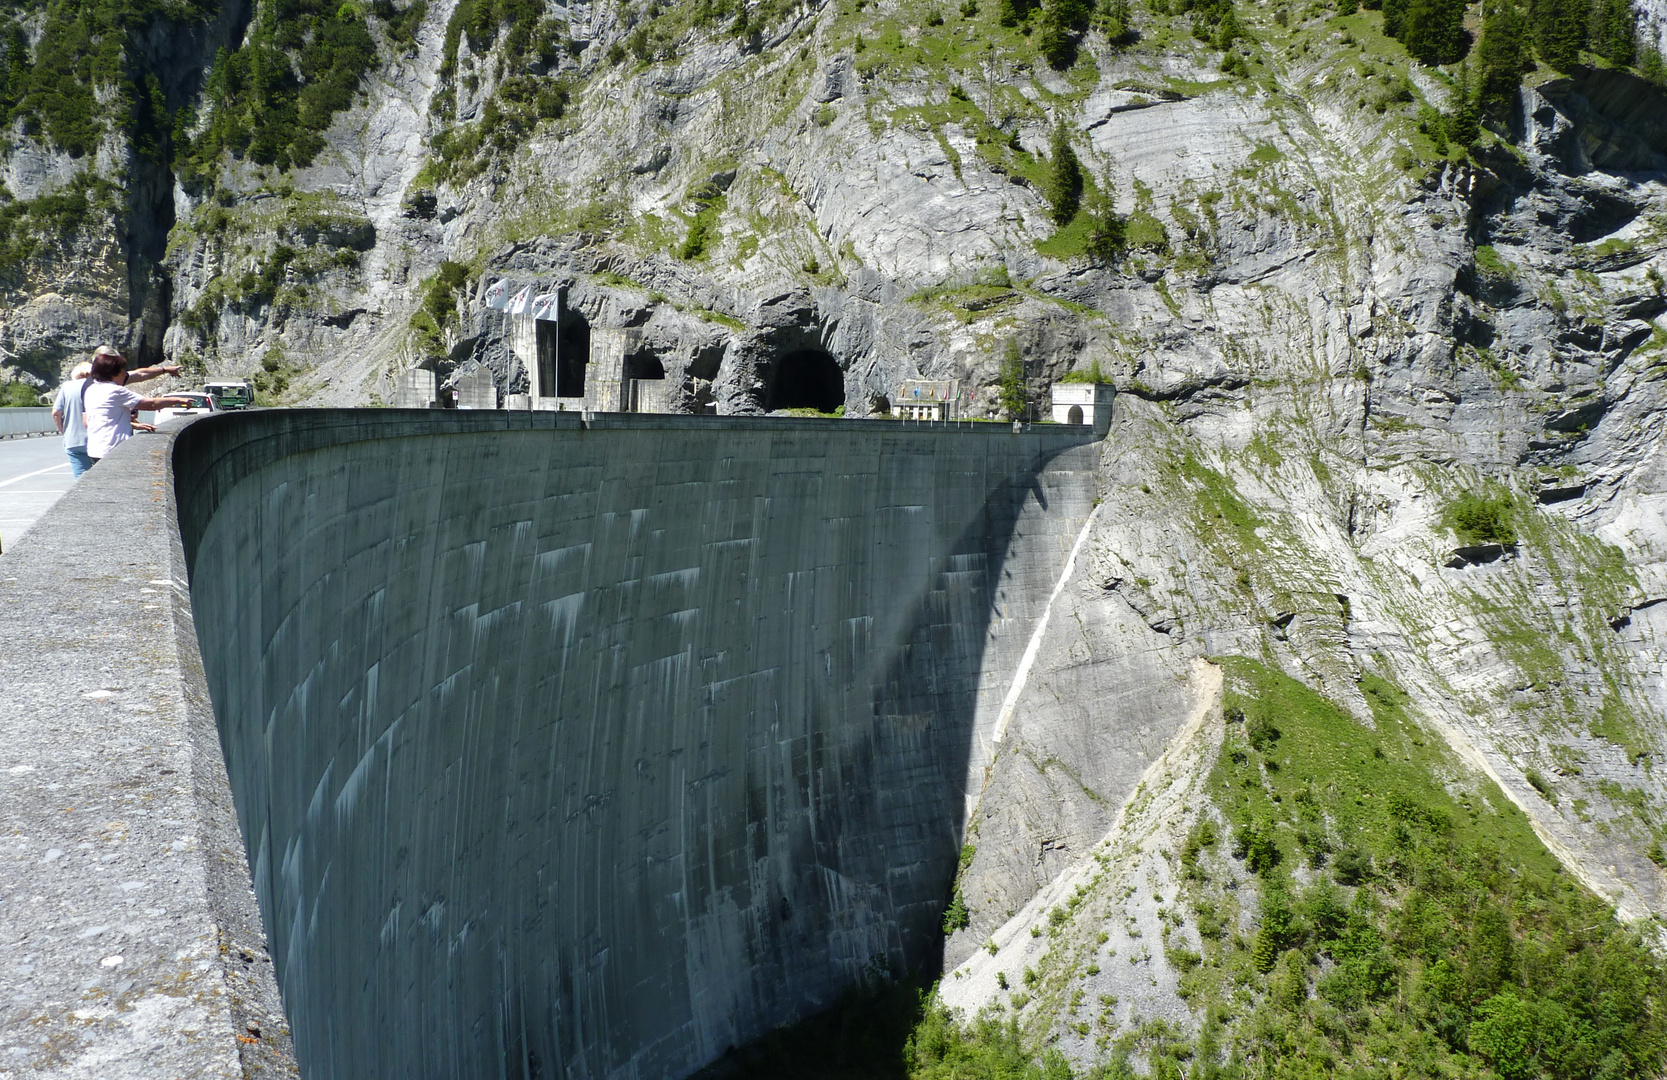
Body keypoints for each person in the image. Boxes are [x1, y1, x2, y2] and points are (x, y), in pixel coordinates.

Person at [51, 347, 181, 478]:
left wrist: (64, 432)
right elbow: (144, 385)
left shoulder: (80, 385)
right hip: (106, 442)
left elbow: (57, 412)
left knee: (83, 482)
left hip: (83, 443)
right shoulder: (108, 384)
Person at [81, 351, 191, 466]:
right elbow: (151, 404)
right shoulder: (115, 391)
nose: (125, 375)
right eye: (122, 372)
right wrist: (178, 400)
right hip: (112, 448)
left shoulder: (91, 389)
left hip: (94, 449)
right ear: (113, 374)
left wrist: (165, 370)